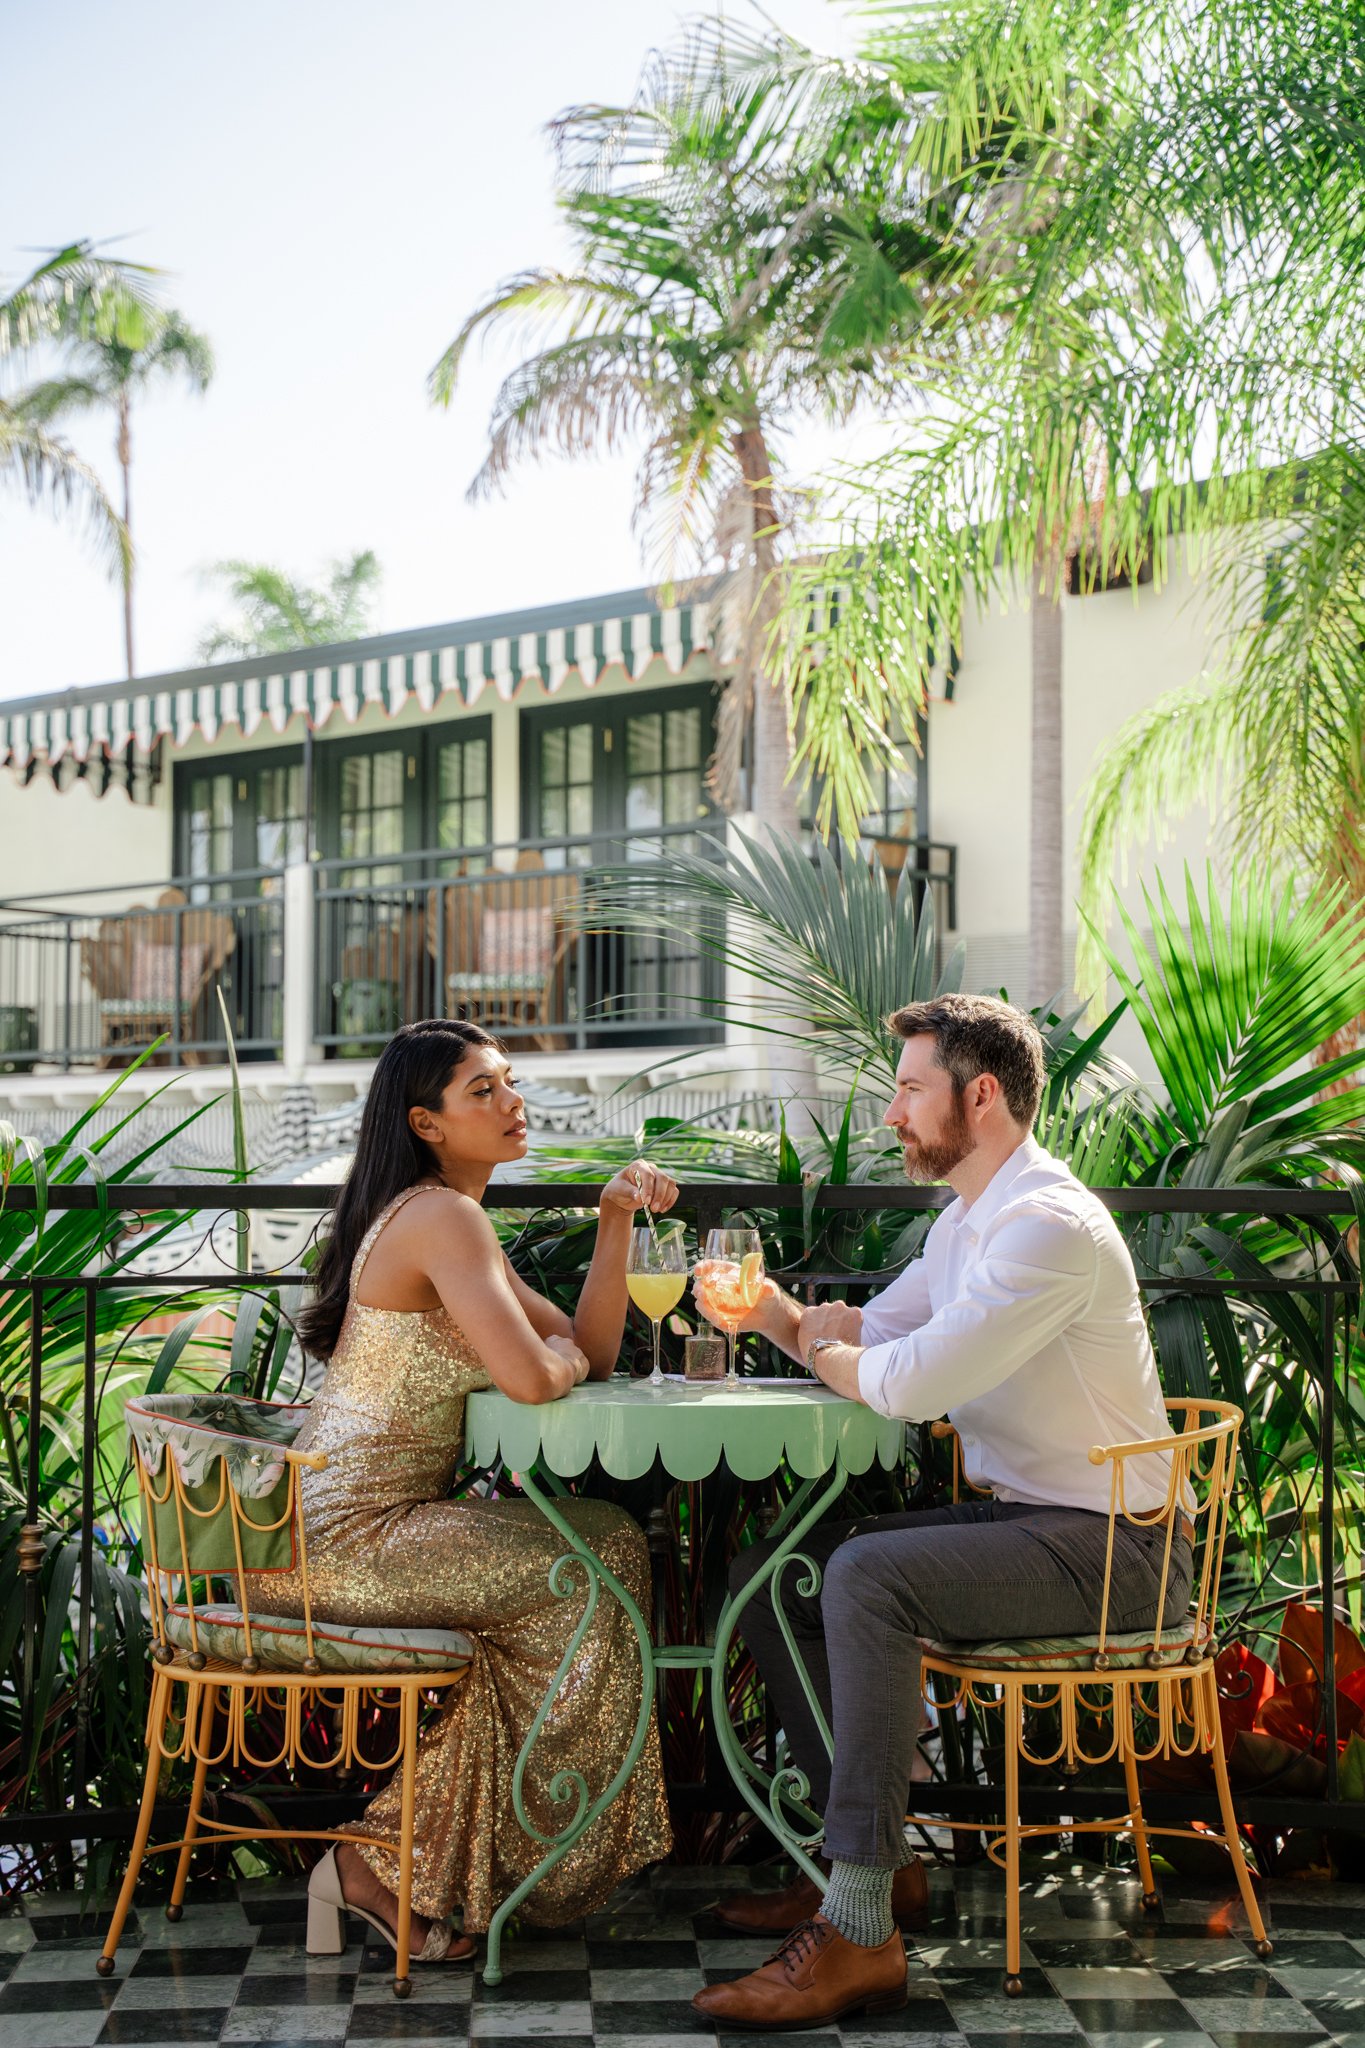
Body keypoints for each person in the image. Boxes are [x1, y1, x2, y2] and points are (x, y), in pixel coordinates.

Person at [692, 994, 1190, 2030]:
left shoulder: (1046, 1227)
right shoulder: (969, 1221)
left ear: (983, 1095)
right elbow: (874, 1335)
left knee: (863, 1573)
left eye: (910, 1089)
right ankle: (865, 1873)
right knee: (772, 1578)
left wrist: (833, 1350)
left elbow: (905, 1381)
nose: (890, 1114)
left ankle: (860, 1930)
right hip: (1036, 1525)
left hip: (1119, 1551)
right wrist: (773, 1311)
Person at [272, 1019, 675, 1967]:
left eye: (509, 1082)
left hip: (370, 1525)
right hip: (344, 1539)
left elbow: (589, 1347)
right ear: (427, 1123)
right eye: (483, 1091)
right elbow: (539, 1378)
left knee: (600, 1546)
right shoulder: (439, 1218)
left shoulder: (450, 1218)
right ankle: (375, 1863)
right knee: (597, 1566)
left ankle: (420, 1862)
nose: (511, 1102)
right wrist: (560, 1360)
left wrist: (612, 1219)